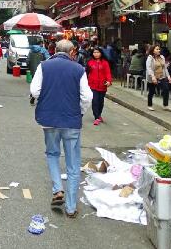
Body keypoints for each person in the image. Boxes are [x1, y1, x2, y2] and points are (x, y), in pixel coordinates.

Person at [30, 40, 92, 218]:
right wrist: (79, 112)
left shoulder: (44, 66)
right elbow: (87, 97)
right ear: (72, 52)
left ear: (54, 50)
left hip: (48, 120)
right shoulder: (78, 69)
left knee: (52, 154)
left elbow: (34, 91)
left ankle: (58, 189)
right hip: (71, 122)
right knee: (73, 165)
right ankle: (71, 208)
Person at [86, 47, 112, 125]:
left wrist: (109, 81)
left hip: (102, 85)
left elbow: (108, 73)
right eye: (94, 52)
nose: (96, 54)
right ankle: (96, 117)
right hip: (92, 85)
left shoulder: (105, 63)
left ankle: (99, 114)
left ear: (101, 53)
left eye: (97, 52)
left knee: (101, 102)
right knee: (95, 101)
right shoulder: (90, 62)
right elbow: (86, 73)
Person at [146, 44, 171, 112]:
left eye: (159, 49)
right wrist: (152, 77)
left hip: (161, 77)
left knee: (166, 89)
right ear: (153, 51)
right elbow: (149, 68)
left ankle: (165, 105)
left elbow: (165, 68)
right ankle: (149, 105)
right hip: (153, 78)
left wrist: (168, 76)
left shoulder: (162, 57)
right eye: (157, 49)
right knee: (151, 92)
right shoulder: (150, 58)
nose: (159, 50)